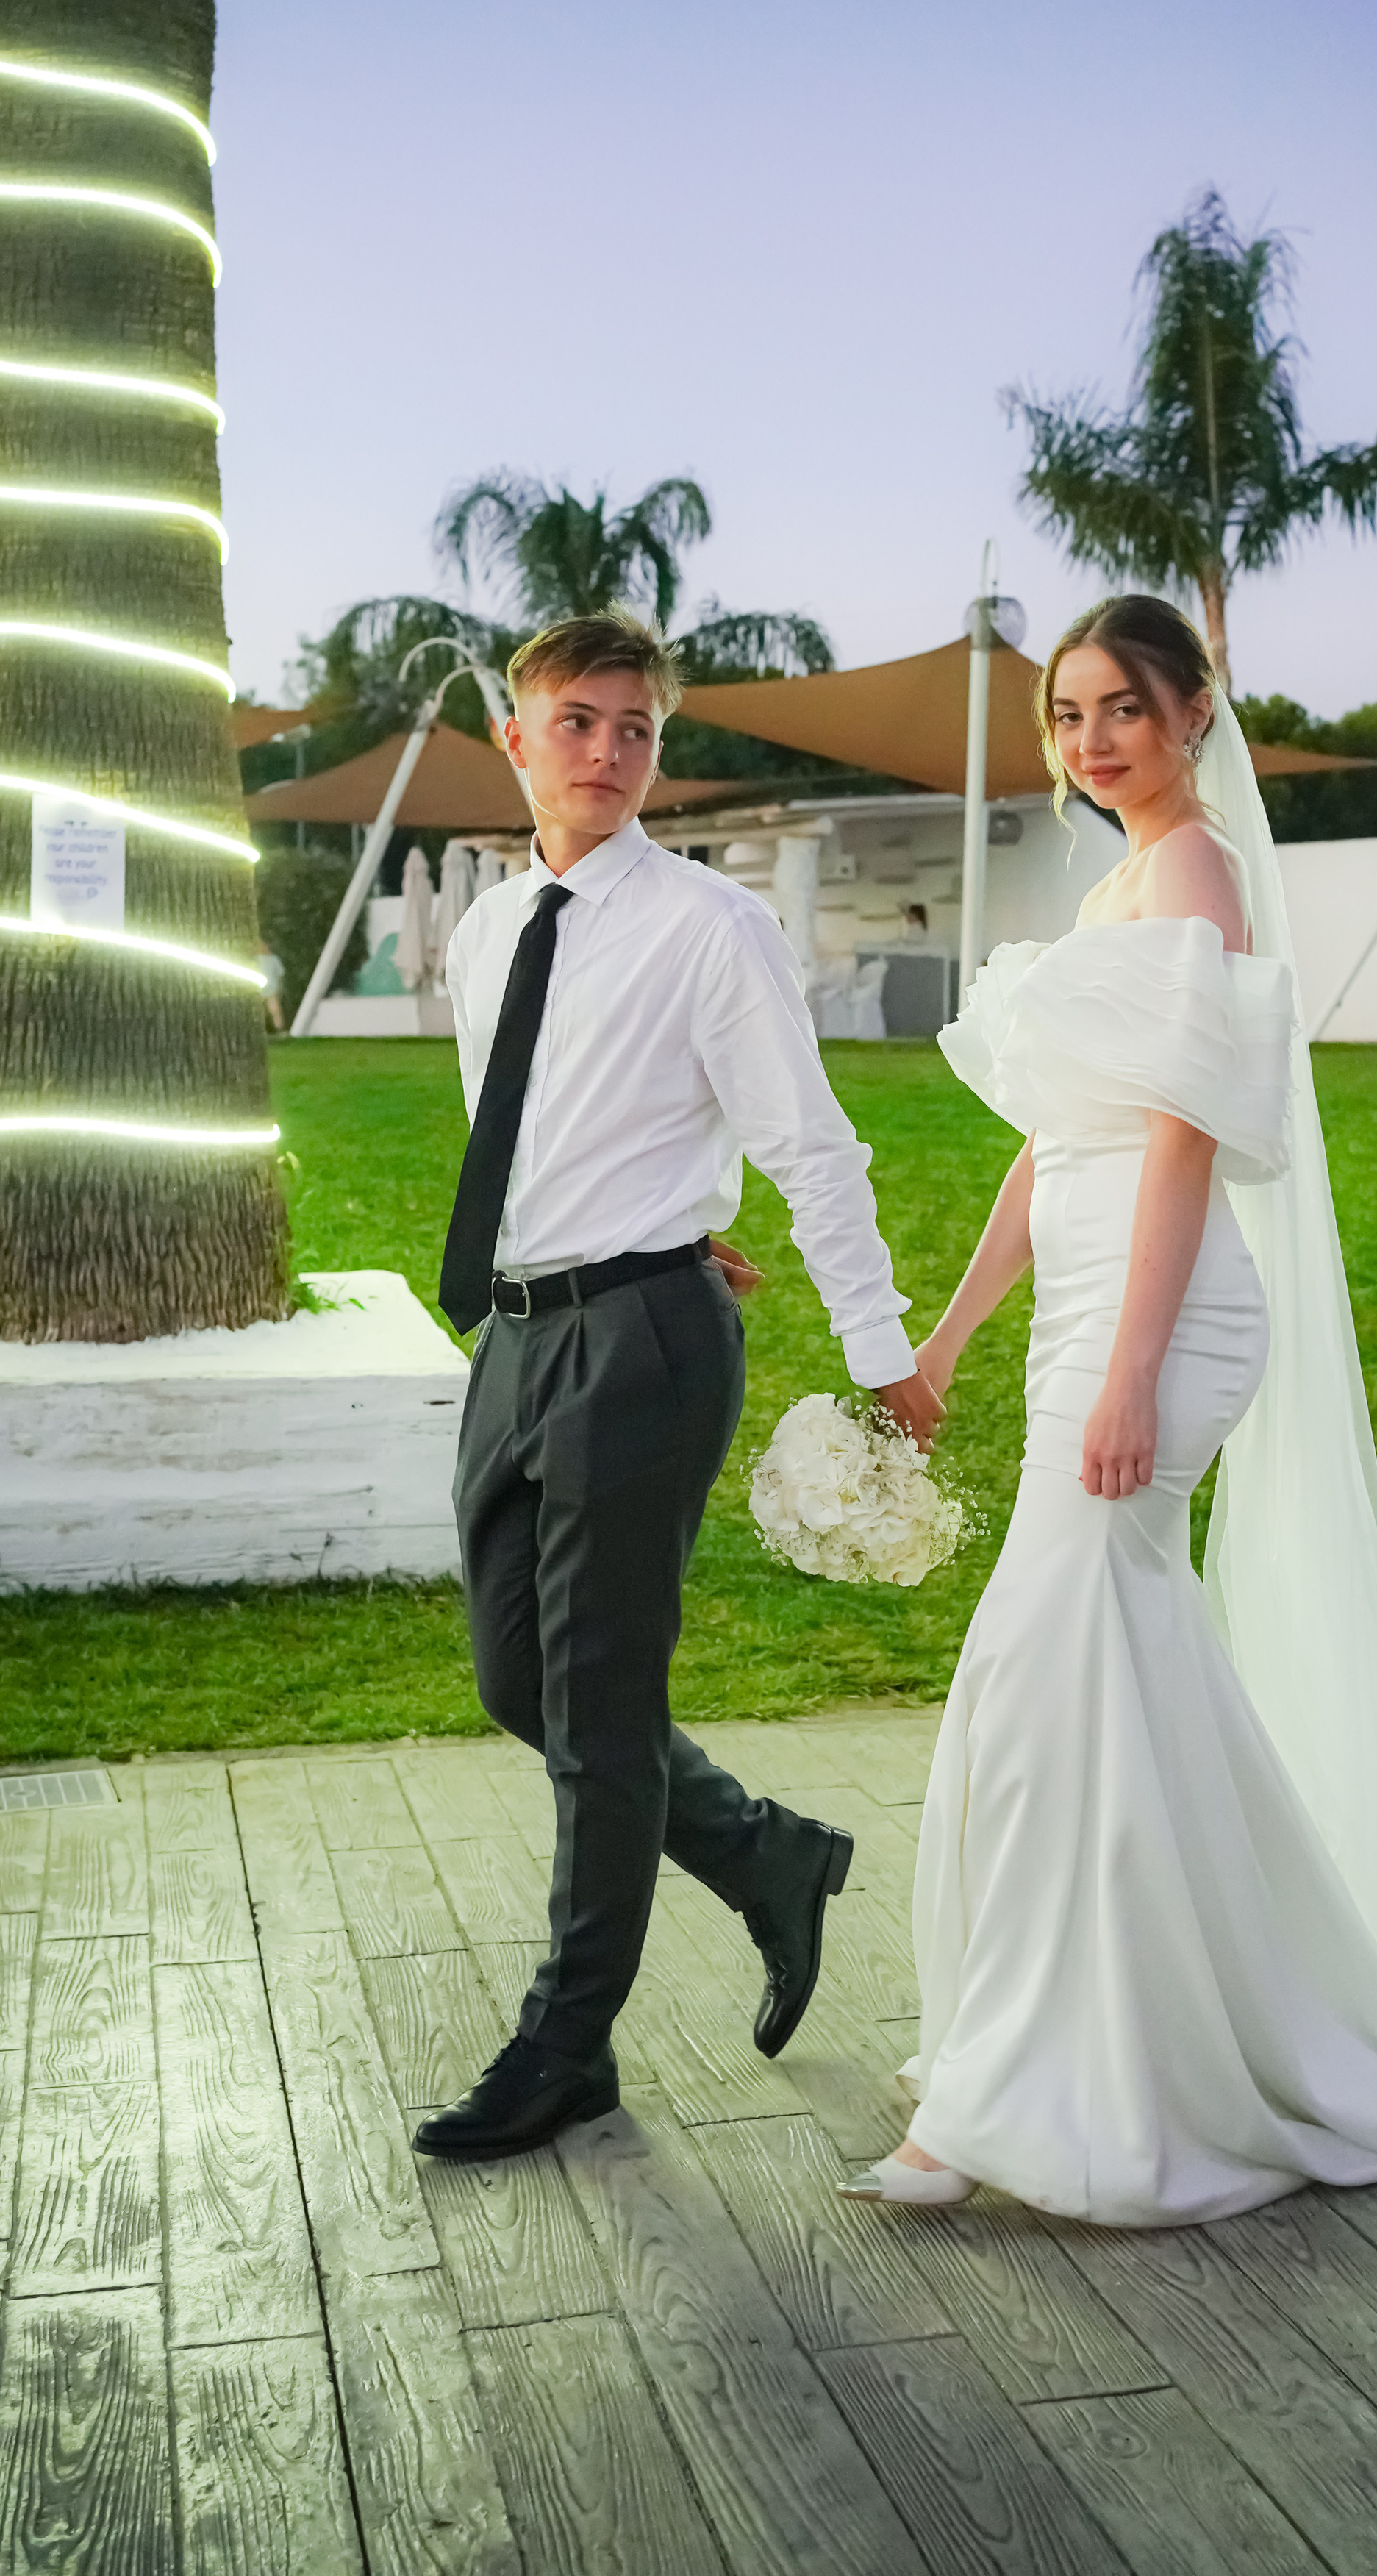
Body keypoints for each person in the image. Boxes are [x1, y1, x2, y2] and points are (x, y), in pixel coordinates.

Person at [841, 595, 1377, 2218]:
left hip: (1157, 1327)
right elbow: (1051, 1148)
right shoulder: (1114, 884)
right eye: (1067, 713)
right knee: (1100, 1676)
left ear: (1190, 715)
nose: (1091, 739)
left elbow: (1174, 1147)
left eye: (1119, 708)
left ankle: (1019, 2087)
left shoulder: (1196, 877)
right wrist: (948, 1341)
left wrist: (1122, 1376)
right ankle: (1104, 2038)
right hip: (1086, 1319)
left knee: (1054, 1672)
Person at [414, 609, 943, 2166]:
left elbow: (810, 1146)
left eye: (634, 729)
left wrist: (876, 1349)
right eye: (575, 722)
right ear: (513, 739)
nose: (606, 754)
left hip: (643, 1344)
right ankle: (769, 1856)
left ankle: (566, 2048)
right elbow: (528, 1133)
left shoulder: (711, 930)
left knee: (595, 1704)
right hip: (515, 1336)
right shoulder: (485, 933)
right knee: (525, 1681)